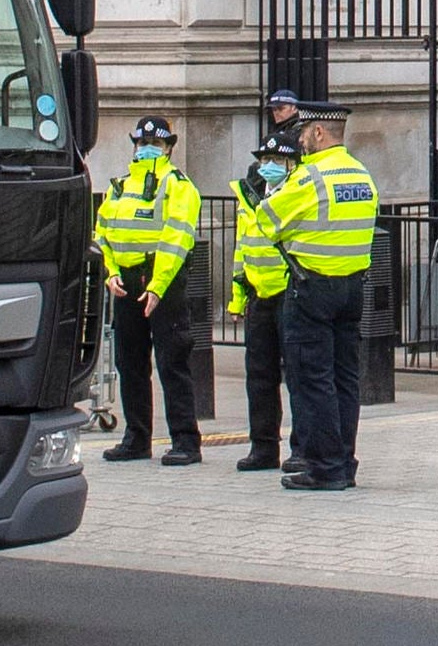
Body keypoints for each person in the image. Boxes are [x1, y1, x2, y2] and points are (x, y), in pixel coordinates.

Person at [267, 101, 380, 491]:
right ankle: (344, 461)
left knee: (313, 380)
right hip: (352, 288)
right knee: (345, 378)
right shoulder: (362, 175)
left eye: (303, 133)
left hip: (312, 288)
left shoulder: (310, 177)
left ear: (317, 133)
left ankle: (325, 466)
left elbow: (268, 220)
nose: (300, 140)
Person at [94, 115, 206, 464]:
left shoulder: (178, 186)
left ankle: (185, 441)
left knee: (172, 361)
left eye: (155, 144)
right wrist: (110, 272)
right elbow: (103, 232)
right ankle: (137, 438)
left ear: (170, 147)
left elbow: (177, 240)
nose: (146, 150)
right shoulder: (120, 185)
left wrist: (157, 287)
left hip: (162, 281)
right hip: (126, 283)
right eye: (141, 143)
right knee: (130, 363)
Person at [226, 131, 299, 472]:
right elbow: (243, 248)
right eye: (265, 160)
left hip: (290, 293)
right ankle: (263, 447)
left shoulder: (298, 192)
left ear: (292, 164)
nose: (270, 167)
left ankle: (301, 448)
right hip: (259, 295)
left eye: (278, 161)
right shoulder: (250, 195)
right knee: (259, 376)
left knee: (299, 375)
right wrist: (238, 298)